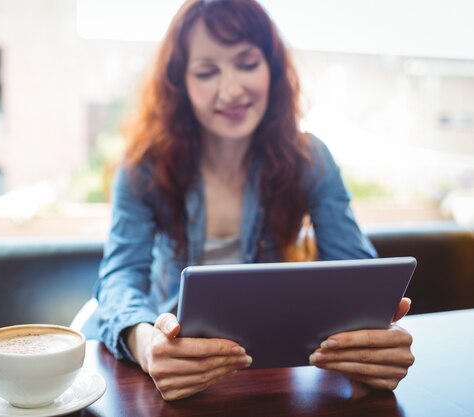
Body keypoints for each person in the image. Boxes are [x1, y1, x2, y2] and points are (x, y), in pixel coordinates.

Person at [90, 0, 414, 401]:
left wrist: (376, 340)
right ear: (180, 84)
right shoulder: (144, 168)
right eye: (207, 72)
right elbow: (119, 278)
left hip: (270, 369)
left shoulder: (310, 159)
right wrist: (146, 347)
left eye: (246, 63)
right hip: (172, 365)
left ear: (272, 70)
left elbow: (357, 273)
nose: (231, 90)